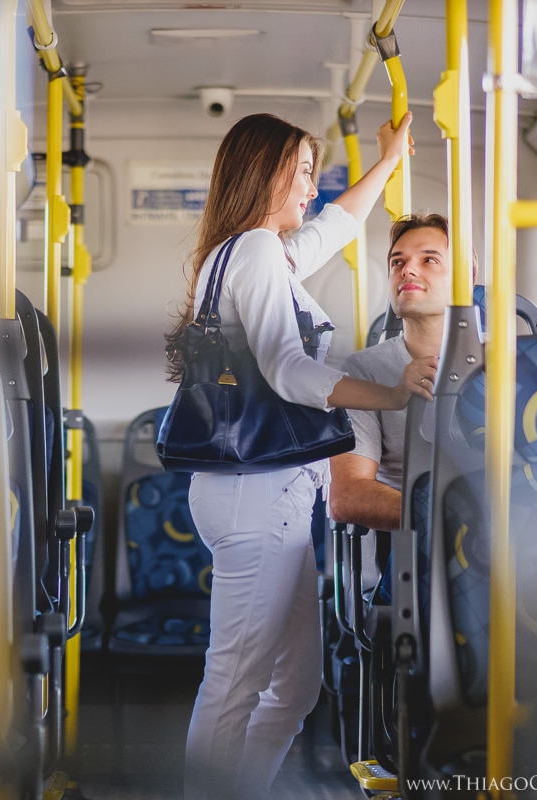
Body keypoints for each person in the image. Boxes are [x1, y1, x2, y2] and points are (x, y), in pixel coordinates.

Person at [164, 111, 436, 800]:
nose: (314, 186)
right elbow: (287, 371)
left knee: (296, 683)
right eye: (305, 171)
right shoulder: (253, 250)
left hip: (266, 491)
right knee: (237, 678)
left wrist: (389, 161)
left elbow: (335, 227)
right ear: (268, 172)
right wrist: (389, 393)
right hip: (258, 492)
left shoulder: (250, 253)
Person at [329, 213, 460, 533]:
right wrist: (453, 521)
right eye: (397, 262)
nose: (408, 270)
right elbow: (346, 495)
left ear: (465, 277)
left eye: (429, 259)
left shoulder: (505, 362)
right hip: (408, 549)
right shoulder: (363, 371)